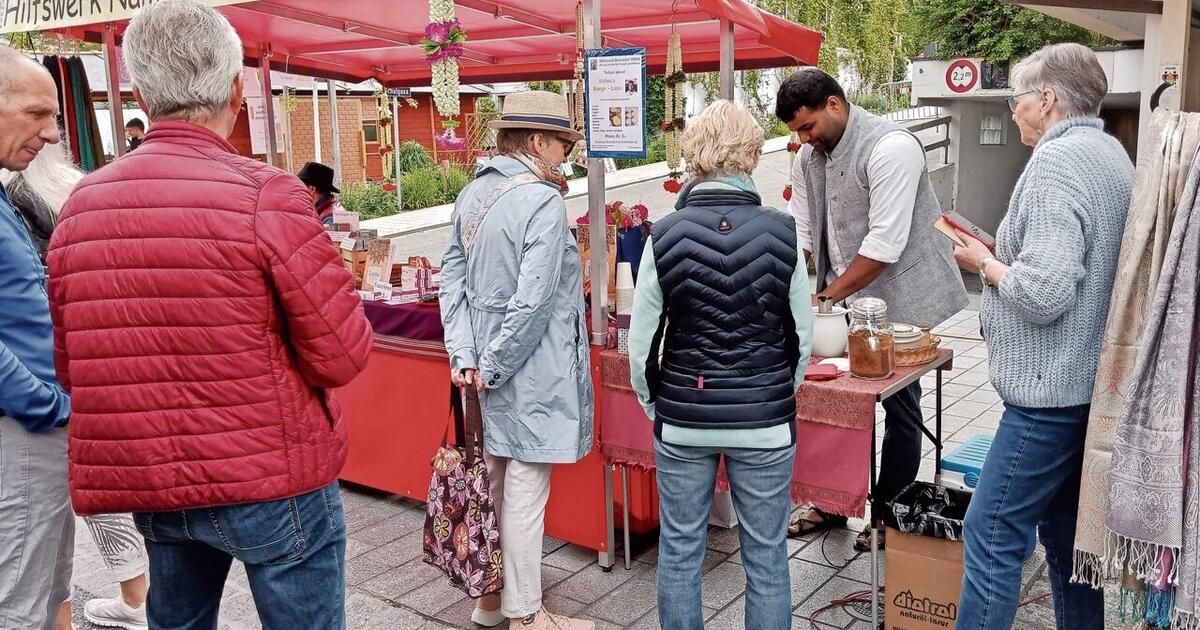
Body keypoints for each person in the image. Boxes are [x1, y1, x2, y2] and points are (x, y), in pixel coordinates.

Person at [46, 2, 373, 629]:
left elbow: (74, 366)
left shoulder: (81, 205)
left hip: (151, 473)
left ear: (143, 95)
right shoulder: (266, 193)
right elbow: (341, 351)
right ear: (234, 92)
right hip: (269, 471)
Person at [951, 43, 1132, 629]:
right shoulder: (1110, 152)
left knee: (991, 531)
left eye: (1018, 99)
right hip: (1090, 386)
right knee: (1067, 538)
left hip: (1049, 393)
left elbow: (1046, 293)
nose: (1013, 111)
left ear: (1047, 99)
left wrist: (985, 263)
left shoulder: (1057, 162)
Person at [628, 99, 813, 630]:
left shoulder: (664, 234)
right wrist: (779, 392)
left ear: (695, 154)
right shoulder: (783, 232)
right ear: (752, 153)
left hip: (684, 417)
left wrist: (656, 403)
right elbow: (800, 338)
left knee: (680, 551)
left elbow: (642, 345)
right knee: (768, 557)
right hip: (765, 421)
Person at [775, 68, 968, 550]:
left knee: (901, 406)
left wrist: (824, 298)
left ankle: (886, 513)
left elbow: (884, 245)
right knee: (833, 401)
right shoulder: (808, 158)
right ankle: (833, 502)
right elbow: (801, 232)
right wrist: (790, 285)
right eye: (797, 132)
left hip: (903, 296)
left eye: (808, 126)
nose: (804, 139)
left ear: (835, 104)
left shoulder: (892, 147)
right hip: (844, 295)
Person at [439, 90, 593, 630]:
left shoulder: (472, 194)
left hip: (485, 369)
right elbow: (534, 301)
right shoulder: (543, 202)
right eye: (561, 142)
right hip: (531, 371)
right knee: (523, 495)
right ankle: (526, 616)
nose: (565, 154)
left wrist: (467, 356)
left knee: (494, 487)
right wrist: (496, 364)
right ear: (536, 141)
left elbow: (451, 283)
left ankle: (490, 602)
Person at [3, 141, 151, 630]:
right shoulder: (70, 188)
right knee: (81, 509)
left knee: (39, 546)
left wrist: (44, 401)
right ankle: (133, 597)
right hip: (80, 374)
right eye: (39, 115)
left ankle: (105, 606)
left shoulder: (21, 194)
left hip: (51, 386)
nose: (49, 131)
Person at [0, 43, 75, 630]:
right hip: (23, 427)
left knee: (46, 588)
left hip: (32, 424)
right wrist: (45, 403)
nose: (51, 133)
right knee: (20, 604)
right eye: (36, 113)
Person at [297, 160, 341, 225]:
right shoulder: (328, 210)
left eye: (301, 187)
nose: (299, 192)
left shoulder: (329, 219)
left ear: (312, 189)